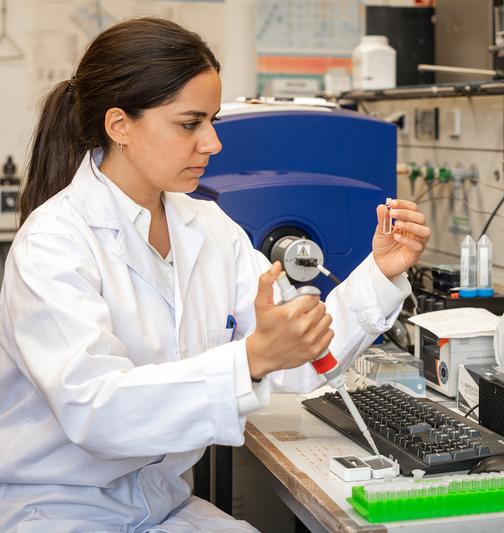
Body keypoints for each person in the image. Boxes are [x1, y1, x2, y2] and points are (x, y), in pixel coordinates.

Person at [0, 18, 430, 532]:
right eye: (190, 124)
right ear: (120, 126)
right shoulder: (55, 242)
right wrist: (249, 358)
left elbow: (298, 357)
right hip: (60, 511)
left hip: (165, 506)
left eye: (213, 122)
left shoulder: (204, 225)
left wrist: (379, 273)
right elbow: (97, 411)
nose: (213, 143)